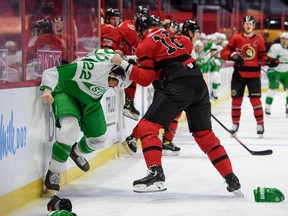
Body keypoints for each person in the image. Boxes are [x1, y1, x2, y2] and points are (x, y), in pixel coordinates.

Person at [111, 14, 242, 194]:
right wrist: (131, 59)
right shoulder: (172, 37)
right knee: (204, 134)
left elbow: (145, 78)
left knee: (148, 125)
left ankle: (156, 172)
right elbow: (163, 56)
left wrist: (123, 64)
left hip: (178, 85)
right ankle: (230, 177)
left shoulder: (145, 44)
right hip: (198, 83)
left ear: (140, 30)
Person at [40, 48, 131, 192]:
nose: (113, 86)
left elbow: (100, 52)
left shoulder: (118, 66)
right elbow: (51, 72)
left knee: (100, 139)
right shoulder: (90, 69)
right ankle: (54, 171)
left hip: (90, 102)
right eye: (114, 82)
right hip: (67, 92)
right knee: (70, 129)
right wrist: (47, 90)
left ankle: (75, 152)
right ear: (112, 73)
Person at [220, 15, 279, 138]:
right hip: (239, 75)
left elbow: (262, 57)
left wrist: (270, 61)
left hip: (254, 75)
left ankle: (260, 124)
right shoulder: (236, 38)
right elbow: (224, 53)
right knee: (236, 102)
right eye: (246, 23)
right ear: (243, 25)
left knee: (256, 102)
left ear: (254, 26)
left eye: (251, 23)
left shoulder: (259, 39)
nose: (248, 25)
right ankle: (235, 125)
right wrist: (232, 56)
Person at [118, 6, 149, 121]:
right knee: (134, 72)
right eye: (140, 15)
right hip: (119, 57)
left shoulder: (135, 27)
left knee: (135, 71)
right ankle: (128, 103)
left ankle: (129, 102)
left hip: (124, 57)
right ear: (135, 15)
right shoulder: (129, 27)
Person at [265, 32, 288, 117]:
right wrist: (270, 71)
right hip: (276, 71)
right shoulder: (275, 47)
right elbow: (268, 60)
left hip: (287, 73)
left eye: (287, 39)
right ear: (280, 39)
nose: (285, 41)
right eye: (283, 39)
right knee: (272, 90)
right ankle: (267, 108)